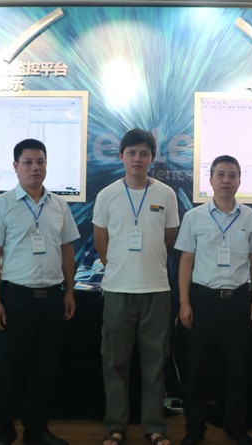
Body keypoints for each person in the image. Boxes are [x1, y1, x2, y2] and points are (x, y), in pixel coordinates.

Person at [0, 138, 80, 445]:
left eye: (40, 162)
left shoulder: (59, 205)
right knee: (7, 370)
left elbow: (67, 250)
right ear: (16, 166)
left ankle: (36, 430)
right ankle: (1, 431)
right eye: (28, 162)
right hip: (16, 299)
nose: (35, 168)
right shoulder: (1, 205)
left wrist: (69, 291)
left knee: (45, 370)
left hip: (51, 299)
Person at [93, 128, 180, 445]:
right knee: (115, 364)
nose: (137, 159)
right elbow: (101, 243)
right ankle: (115, 427)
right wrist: (121, 268)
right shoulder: (107, 196)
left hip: (156, 291)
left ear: (152, 158)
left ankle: (154, 427)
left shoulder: (166, 195)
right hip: (118, 290)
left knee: (154, 365)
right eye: (132, 153)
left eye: (144, 153)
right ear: (121, 156)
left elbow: (168, 240)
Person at [175, 155, 252, 445]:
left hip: (239, 301)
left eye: (232, 175)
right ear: (211, 179)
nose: (226, 180)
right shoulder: (194, 217)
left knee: (238, 369)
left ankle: (235, 427)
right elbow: (186, 261)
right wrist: (184, 302)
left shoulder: (250, 217)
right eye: (221, 174)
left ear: (239, 180)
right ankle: (195, 427)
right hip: (203, 300)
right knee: (197, 368)